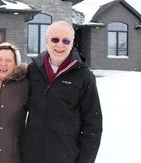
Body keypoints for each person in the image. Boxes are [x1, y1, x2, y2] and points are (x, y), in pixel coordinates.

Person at [21, 20, 103, 163]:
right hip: (32, 154)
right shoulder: (33, 70)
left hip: (65, 156)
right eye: (55, 39)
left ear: (72, 44)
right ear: (46, 41)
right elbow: (15, 99)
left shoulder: (84, 76)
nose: (60, 45)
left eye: (66, 41)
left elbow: (93, 124)